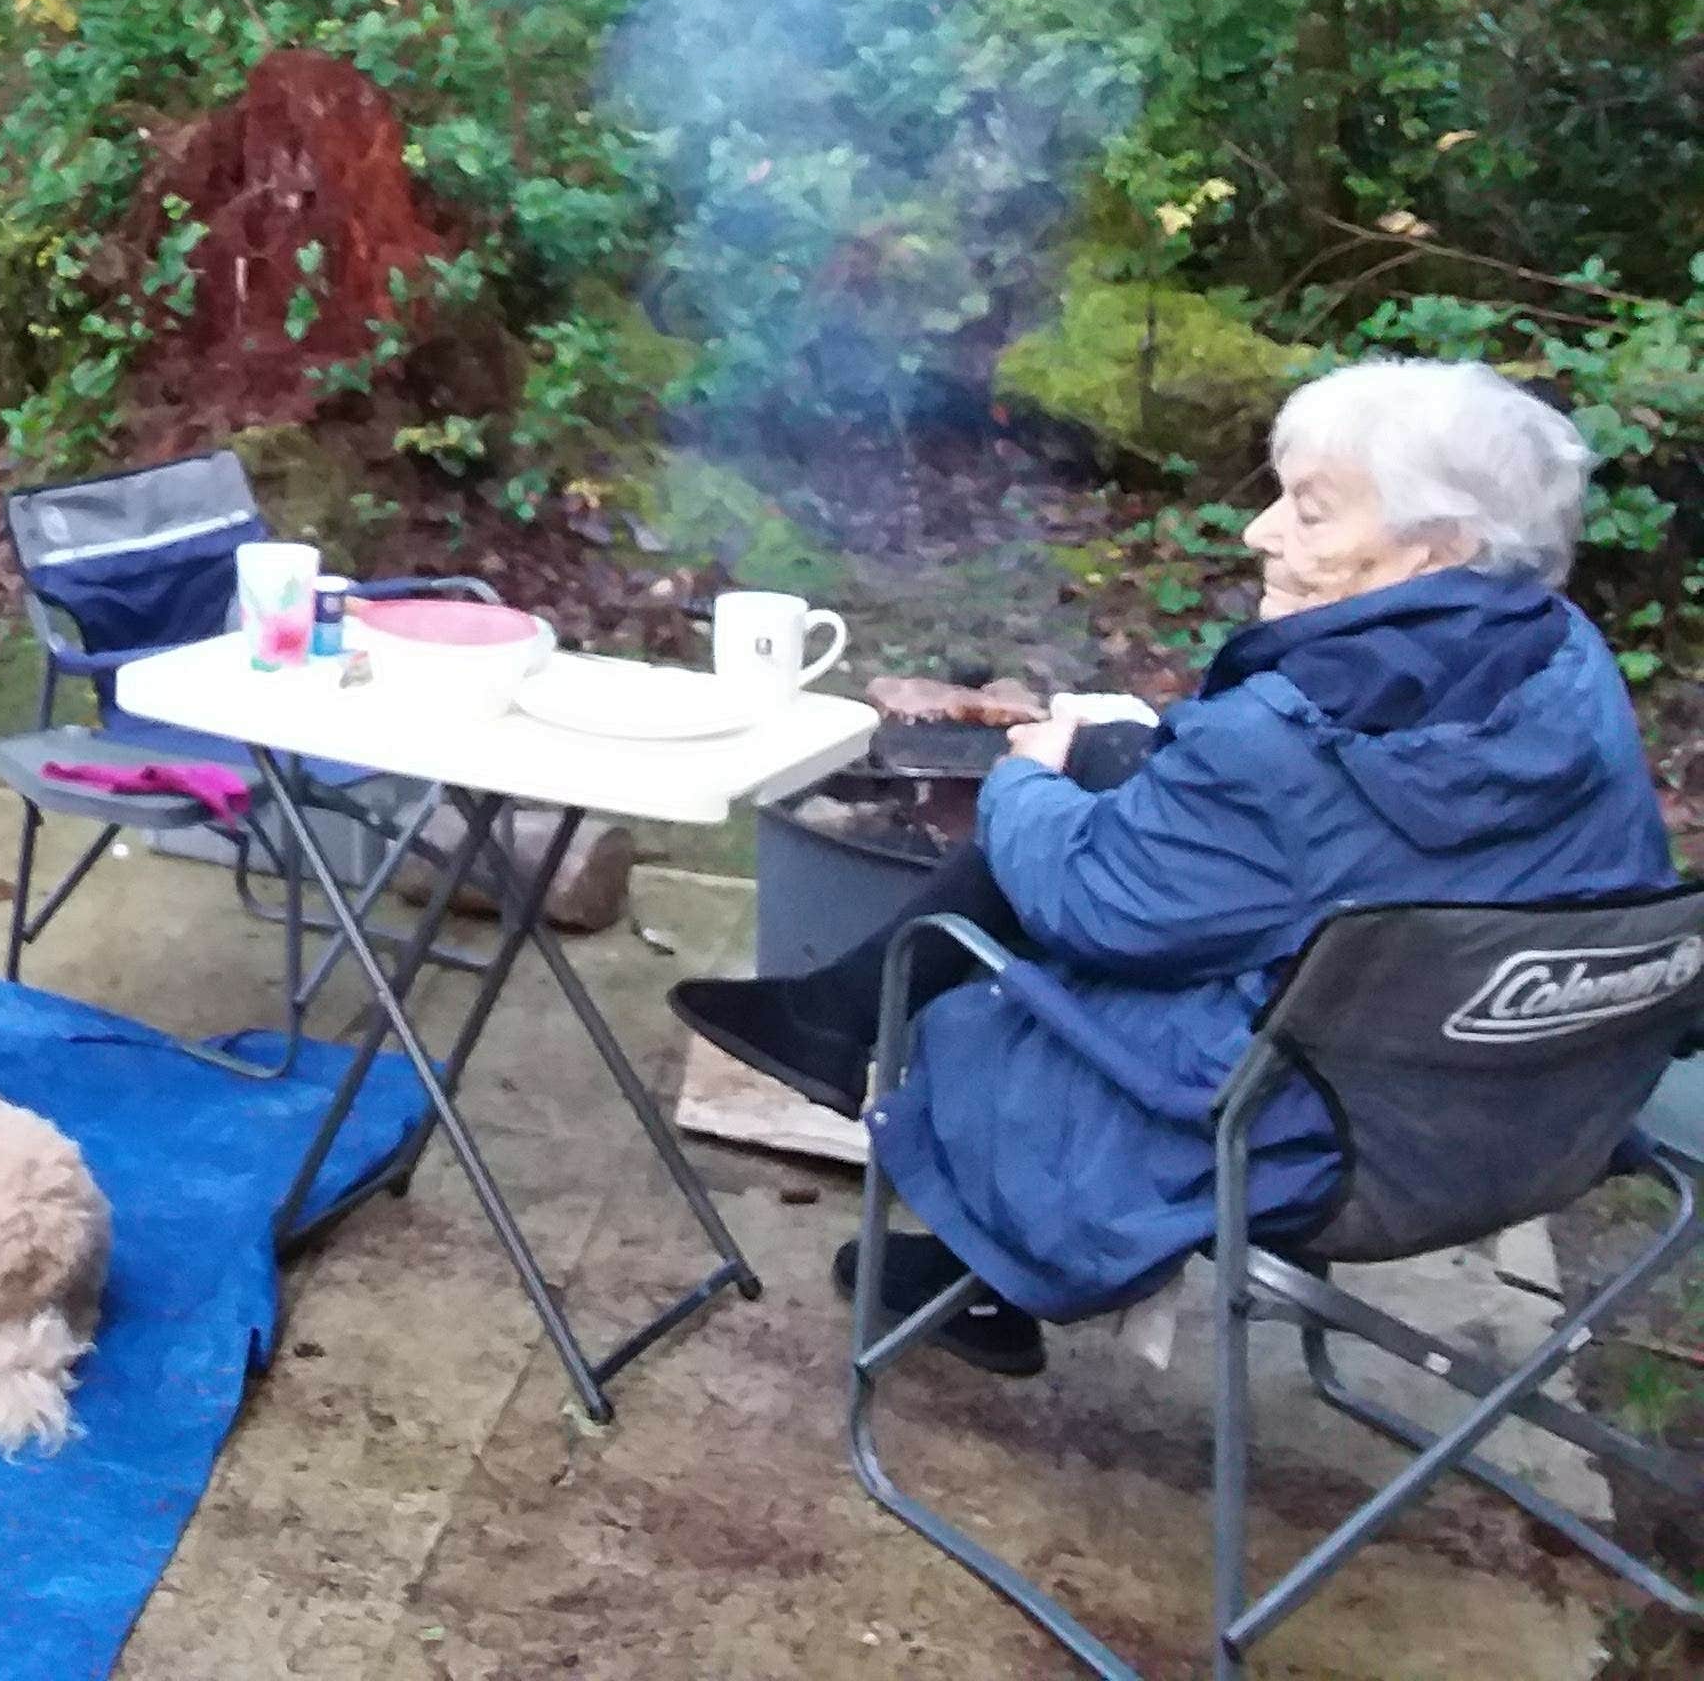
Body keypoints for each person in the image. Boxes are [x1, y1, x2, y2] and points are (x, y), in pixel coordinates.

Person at [671, 358, 1676, 1376]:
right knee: (1122, 783)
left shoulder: (1290, 738)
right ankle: (836, 1026)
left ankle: (883, 1085)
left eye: (1312, 514)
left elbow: (1092, 902)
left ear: (1443, 548)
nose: (1259, 532)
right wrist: (1131, 761)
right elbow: (1327, 838)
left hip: (1311, 1141)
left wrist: (1026, 779)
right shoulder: (1563, 665)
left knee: (1010, 973)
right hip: (1535, 1107)